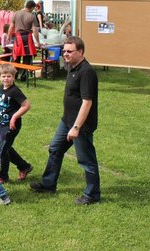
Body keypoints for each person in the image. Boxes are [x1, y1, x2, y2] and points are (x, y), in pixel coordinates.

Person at [30, 36, 101, 205]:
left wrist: (76, 127)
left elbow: (87, 102)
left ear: (81, 52)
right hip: (66, 121)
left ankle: (92, 194)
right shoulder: (72, 67)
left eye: (70, 51)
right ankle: (48, 184)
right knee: (55, 149)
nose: (65, 54)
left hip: (81, 125)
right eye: (64, 51)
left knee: (86, 159)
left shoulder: (87, 72)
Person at [0, 64, 33, 184]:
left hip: (12, 125)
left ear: (14, 77)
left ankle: (3, 176)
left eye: (9, 76)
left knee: (2, 151)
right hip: (2, 124)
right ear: (0, 77)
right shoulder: (1, 88)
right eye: (3, 76)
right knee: (5, 148)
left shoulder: (15, 91)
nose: (6, 79)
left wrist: (14, 117)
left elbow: (26, 105)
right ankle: (24, 166)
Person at [8, 0, 41, 79]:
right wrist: (38, 42)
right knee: (27, 57)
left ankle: (14, 76)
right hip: (28, 37)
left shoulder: (16, 14)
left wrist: (8, 36)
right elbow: (35, 30)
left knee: (16, 57)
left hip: (18, 37)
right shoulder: (32, 16)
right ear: (32, 7)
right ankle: (24, 76)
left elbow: (11, 26)